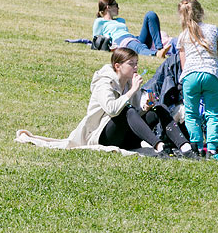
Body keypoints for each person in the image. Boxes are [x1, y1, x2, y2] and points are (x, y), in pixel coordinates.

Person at [65, 48, 200, 158]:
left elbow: (135, 115)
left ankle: (185, 147)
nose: (136, 67)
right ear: (117, 66)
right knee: (127, 110)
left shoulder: (130, 82)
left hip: (126, 136)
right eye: (131, 64)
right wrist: (132, 91)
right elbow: (112, 110)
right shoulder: (104, 83)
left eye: (136, 63)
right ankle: (159, 146)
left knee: (159, 108)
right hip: (102, 136)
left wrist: (145, 108)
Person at [177, 0, 218, 157]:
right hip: (211, 75)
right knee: (213, 113)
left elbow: (184, 65)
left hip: (190, 77)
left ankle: (196, 146)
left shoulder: (182, 36)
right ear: (201, 12)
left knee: (191, 114)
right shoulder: (213, 29)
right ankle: (212, 147)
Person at [93, 0, 171, 58]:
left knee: (151, 15)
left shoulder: (121, 20)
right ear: (108, 7)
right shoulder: (100, 21)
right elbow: (96, 40)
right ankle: (156, 53)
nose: (118, 8)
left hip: (131, 37)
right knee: (138, 46)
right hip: (120, 40)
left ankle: (159, 48)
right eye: (116, 5)